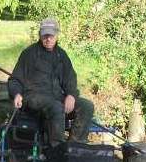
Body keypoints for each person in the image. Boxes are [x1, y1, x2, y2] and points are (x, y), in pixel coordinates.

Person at [8, 18, 94, 146]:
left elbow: (70, 79)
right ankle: (56, 151)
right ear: (40, 35)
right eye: (45, 35)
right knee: (56, 107)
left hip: (56, 97)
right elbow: (15, 79)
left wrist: (71, 95)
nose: (48, 39)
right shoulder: (29, 54)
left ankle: (75, 147)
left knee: (87, 106)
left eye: (51, 35)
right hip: (33, 98)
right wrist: (17, 94)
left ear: (57, 35)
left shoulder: (61, 55)